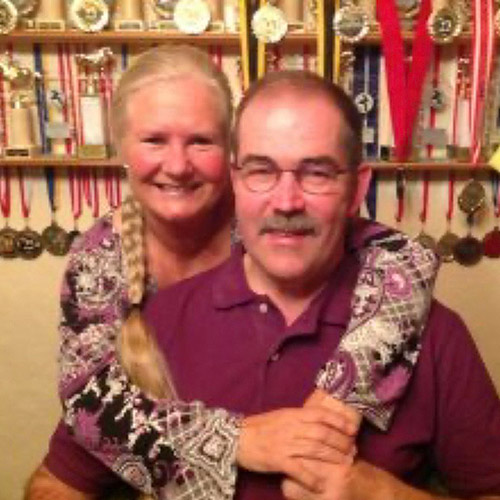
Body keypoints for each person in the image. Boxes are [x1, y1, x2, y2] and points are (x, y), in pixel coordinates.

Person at [26, 48, 441, 500]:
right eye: (154, 140)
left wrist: (341, 397)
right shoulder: (98, 260)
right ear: (121, 148)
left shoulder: (273, 221)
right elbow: (88, 407)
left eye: (201, 141)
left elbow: (410, 260)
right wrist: (237, 440)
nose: (178, 165)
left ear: (231, 152)